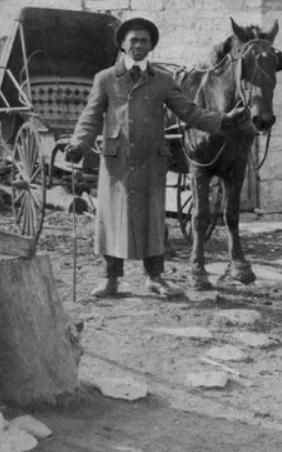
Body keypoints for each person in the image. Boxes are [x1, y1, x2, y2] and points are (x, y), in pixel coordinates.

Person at [65, 17, 248, 299]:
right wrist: (78, 144)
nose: (139, 45)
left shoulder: (163, 80)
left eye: (144, 41)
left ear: (151, 46)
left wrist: (224, 121)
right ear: (123, 45)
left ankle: (155, 278)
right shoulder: (105, 79)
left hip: (152, 158)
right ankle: (110, 280)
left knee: (152, 219)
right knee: (112, 219)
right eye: (133, 40)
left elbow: (190, 112)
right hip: (117, 161)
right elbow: (90, 118)